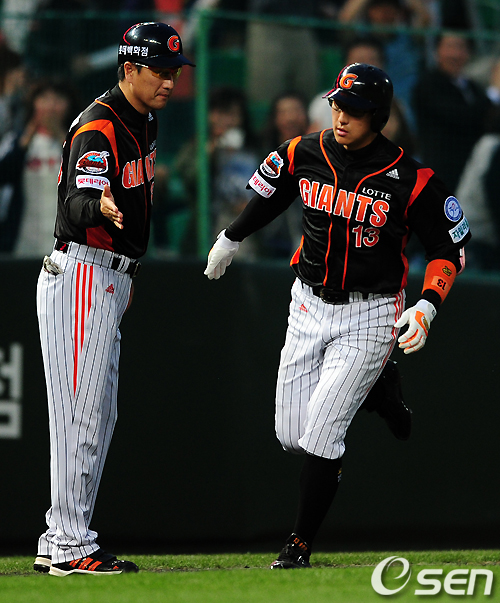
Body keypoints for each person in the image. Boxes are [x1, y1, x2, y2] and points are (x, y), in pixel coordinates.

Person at [204, 63, 470, 568]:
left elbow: (449, 248)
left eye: (355, 110)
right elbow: (273, 195)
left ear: (379, 117)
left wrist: (428, 304)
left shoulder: (412, 178)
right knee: (291, 435)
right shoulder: (303, 151)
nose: (342, 116)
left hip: (371, 312)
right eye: (337, 105)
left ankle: (299, 544)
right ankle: (378, 387)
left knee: (322, 436)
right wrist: (232, 236)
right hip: (307, 302)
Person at [33, 22, 194, 576]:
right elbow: (77, 200)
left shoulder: (143, 118)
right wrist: (95, 206)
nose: (169, 82)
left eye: (174, 72)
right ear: (129, 68)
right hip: (82, 271)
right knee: (81, 417)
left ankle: (60, 537)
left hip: (108, 277)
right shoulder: (100, 125)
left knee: (96, 416)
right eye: (159, 71)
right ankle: (70, 545)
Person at [0, 80, 80, 258]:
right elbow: (4, 174)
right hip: (24, 242)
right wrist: (26, 138)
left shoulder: (81, 142)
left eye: (57, 99)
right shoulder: (16, 141)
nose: (50, 106)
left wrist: (61, 135)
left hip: (66, 246)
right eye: (44, 99)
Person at [412, 33, 492, 192]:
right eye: (449, 47)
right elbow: (460, 116)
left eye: (461, 47)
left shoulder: (473, 87)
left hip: (472, 172)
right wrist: (494, 92)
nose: (455, 54)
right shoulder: (427, 85)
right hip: (442, 173)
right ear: (436, 51)